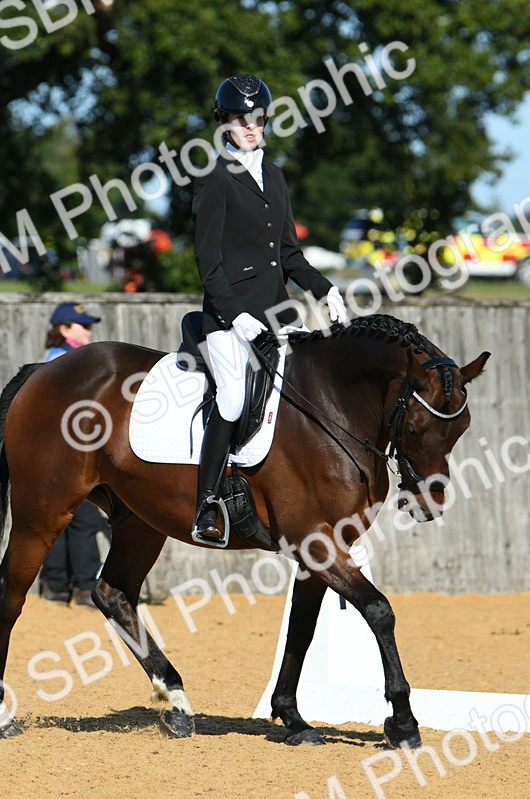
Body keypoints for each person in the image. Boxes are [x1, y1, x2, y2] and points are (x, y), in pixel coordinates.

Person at [189, 73, 348, 545]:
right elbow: (208, 263)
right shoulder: (213, 179)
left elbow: (289, 253)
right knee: (235, 396)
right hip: (225, 319)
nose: (252, 127)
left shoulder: (275, 177)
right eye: (241, 119)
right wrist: (237, 318)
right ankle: (207, 505)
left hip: (279, 315)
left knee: (309, 392)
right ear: (224, 124)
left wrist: (324, 289)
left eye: (258, 118)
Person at [40, 302, 109, 607]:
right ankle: (83, 587)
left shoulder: (54, 360)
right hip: (69, 452)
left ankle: (56, 585)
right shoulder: (68, 362)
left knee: (57, 518)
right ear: (65, 329)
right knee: (84, 519)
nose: (89, 330)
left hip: (54, 451)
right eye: (83, 325)